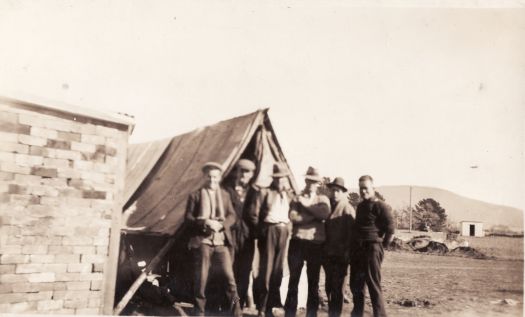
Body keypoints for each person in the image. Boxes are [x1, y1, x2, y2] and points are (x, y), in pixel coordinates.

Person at [183, 162, 242, 317]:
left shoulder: (225, 195)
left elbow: (232, 215)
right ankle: (199, 312)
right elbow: (188, 218)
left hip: (221, 242)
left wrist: (222, 225)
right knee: (201, 279)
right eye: (209, 176)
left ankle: (237, 313)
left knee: (230, 279)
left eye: (215, 176)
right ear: (204, 177)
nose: (212, 179)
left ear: (219, 177)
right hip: (203, 241)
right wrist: (205, 223)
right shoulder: (195, 195)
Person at [284, 167, 331, 317]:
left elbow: (324, 214)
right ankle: (289, 313)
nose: (313, 184)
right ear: (306, 180)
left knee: (313, 283)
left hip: (315, 245)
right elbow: (293, 217)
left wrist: (305, 206)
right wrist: (313, 217)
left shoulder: (322, 199)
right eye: (310, 181)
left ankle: (312, 314)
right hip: (297, 243)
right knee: (293, 281)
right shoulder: (297, 197)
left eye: (316, 182)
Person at [248, 162, 293, 317]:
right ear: (274, 179)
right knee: (266, 270)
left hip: (283, 231)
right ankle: (261, 307)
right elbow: (254, 215)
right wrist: (262, 232)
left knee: (278, 270)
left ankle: (271, 307)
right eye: (278, 178)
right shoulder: (265, 192)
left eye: (283, 178)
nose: (281, 181)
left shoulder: (288, 194)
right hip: (269, 230)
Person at [349, 175, 395, 317]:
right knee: (356, 285)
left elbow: (391, 230)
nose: (363, 191)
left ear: (373, 189)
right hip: (358, 249)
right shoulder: (361, 206)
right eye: (361, 188)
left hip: (372, 248)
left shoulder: (380, 205)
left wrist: (381, 246)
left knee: (373, 284)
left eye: (366, 188)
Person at [225, 158, 259, 309]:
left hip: (247, 238)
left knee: (244, 273)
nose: (243, 175)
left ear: (252, 174)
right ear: (236, 172)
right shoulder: (226, 190)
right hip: (230, 236)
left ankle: (237, 307)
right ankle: (230, 308)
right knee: (229, 274)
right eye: (241, 171)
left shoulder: (255, 192)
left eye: (247, 172)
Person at [323, 177, 355, 317]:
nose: (335, 193)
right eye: (333, 190)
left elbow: (352, 235)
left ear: (342, 193)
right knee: (329, 287)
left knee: (338, 289)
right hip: (328, 254)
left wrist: (348, 253)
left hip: (341, 255)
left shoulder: (347, 208)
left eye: (338, 191)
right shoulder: (327, 206)